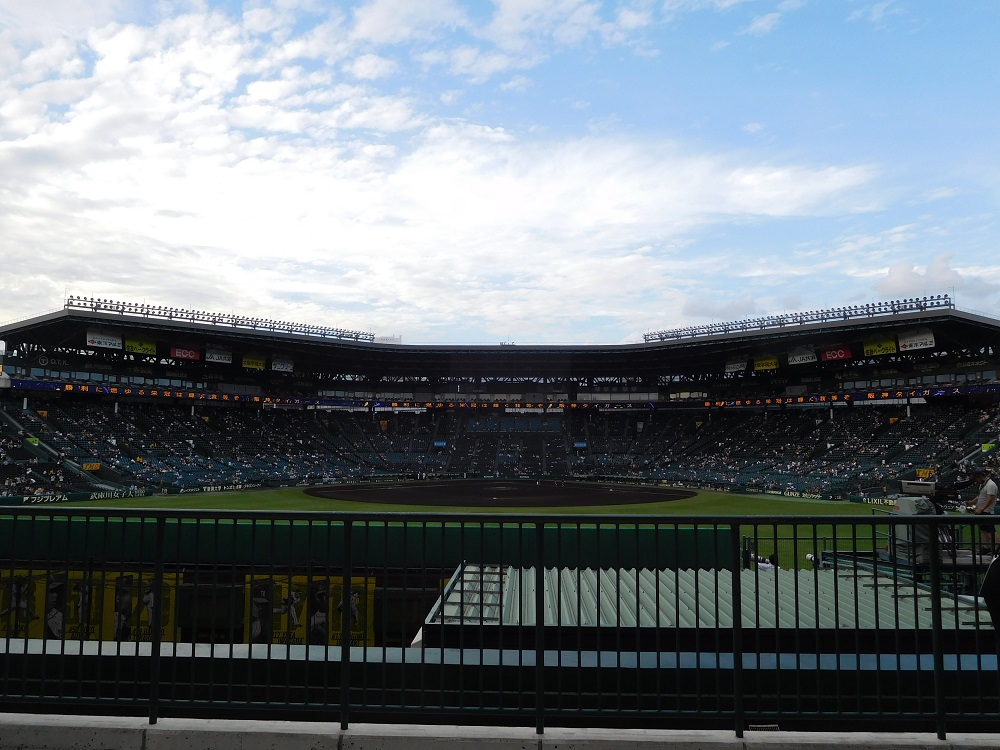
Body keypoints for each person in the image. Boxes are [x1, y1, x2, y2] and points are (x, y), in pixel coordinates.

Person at [966, 467, 998, 554]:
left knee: (991, 531)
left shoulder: (991, 485)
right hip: (982, 511)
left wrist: (982, 509)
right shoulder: (983, 484)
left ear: (980, 476)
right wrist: (971, 502)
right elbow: (980, 497)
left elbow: (990, 499)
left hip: (986, 511)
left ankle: (997, 548)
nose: (976, 481)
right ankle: (986, 547)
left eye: (976, 478)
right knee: (984, 531)